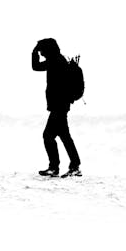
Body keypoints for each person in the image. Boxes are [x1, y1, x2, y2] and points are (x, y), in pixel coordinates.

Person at [32, 38, 81, 177]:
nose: (40, 52)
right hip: (61, 105)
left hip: (59, 106)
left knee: (48, 136)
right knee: (64, 136)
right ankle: (74, 166)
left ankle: (55, 167)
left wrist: (33, 52)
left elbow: (35, 67)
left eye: (41, 50)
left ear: (48, 49)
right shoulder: (58, 60)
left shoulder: (55, 61)